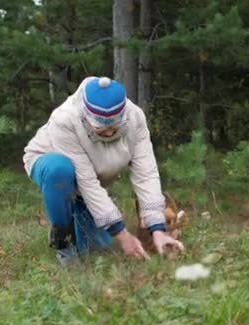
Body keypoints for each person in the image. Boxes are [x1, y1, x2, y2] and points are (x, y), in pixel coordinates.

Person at [23, 76, 184, 265]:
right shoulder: (65, 120)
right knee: (59, 170)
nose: (108, 133)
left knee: (97, 250)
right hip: (53, 165)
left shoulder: (135, 118)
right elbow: (87, 182)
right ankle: (63, 241)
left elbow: (146, 173)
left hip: (93, 179)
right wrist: (123, 236)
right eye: (100, 129)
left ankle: (82, 214)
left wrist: (158, 229)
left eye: (114, 128)